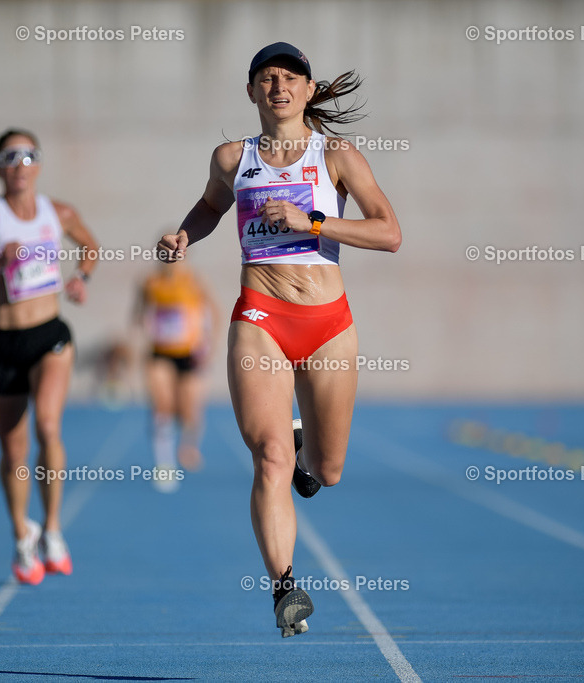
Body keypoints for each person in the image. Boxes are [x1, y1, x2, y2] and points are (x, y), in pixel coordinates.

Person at [157, 43, 401, 636]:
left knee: (327, 469)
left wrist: (313, 222)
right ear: (251, 93)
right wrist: (184, 236)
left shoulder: (336, 155)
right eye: (267, 78)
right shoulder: (230, 158)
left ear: (309, 90)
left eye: (291, 77)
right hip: (260, 317)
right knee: (269, 458)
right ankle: (285, 588)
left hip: (328, 324)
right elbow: (213, 207)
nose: (279, 86)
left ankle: (305, 447)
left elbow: (389, 233)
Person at [0, 129, 99, 585]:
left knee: (47, 426)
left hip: (49, 335)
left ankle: (52, 528)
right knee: (13, 448)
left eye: (28, 154)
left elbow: (90, 247)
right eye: (10, 156)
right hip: (3, 341)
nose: (20, 163)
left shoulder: (60, 212)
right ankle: (21, 534)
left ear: (38, 164)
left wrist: (80, 280)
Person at [133, 256, 218, 492]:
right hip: (160, 352)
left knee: (189, 410)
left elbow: (212, 312)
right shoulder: (149, 282)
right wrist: (144, 330)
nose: (172, 262)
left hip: (189, 353)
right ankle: (164, 464)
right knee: (163, 406)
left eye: (176, 257)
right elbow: (139, 313)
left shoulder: (194, 281)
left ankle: (188, 446)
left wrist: (207, 347)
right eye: (167, 257)